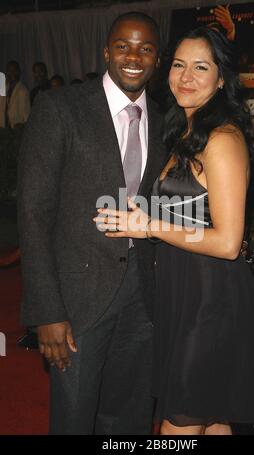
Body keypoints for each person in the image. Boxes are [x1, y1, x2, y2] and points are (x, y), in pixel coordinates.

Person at [95, 27, 254, 435]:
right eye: (179, 65)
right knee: (213, 419)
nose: (186, 76)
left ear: (221, 79)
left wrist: (149, 225)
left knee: (178, 425)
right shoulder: (184, 132)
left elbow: (227, 242)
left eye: (201, 67)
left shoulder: (221, 140)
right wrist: (138, 215)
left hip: (210, 303)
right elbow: (190, 211)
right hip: (182, 295)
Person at [18, 12, 165, 434]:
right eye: (123, 46)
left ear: (158, 57)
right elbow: (33, 212)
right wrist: (46, 311)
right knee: (75, 417)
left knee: (131, 415)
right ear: (106, 51)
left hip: (145, 297)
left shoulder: (165, 119)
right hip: (77, 301)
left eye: (146, 48)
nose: (133, 56)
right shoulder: (60, 108)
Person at [0, 61, 30, 128]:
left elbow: (26, 115)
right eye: (9, 71)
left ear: (19, 72)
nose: (12, 73)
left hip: (16, 131)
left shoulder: (23, 91)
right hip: (3, 129)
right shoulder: (3, 89)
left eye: (15, 70)